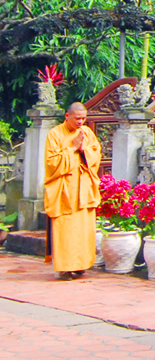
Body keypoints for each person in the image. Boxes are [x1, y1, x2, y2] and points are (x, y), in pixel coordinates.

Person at [44, 102, 101, 279]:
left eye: (83, 118)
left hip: (83, 189)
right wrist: (73, 148)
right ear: (67, 116)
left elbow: (96, 156)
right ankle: (65, 267)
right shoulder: (54, 134)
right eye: (77, 118)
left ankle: (81, 265)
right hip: (64, 191)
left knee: (83, 229)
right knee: (65, 229)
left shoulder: (87, 133)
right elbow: (51, 163)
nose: (80, 122)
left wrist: (84, 150)